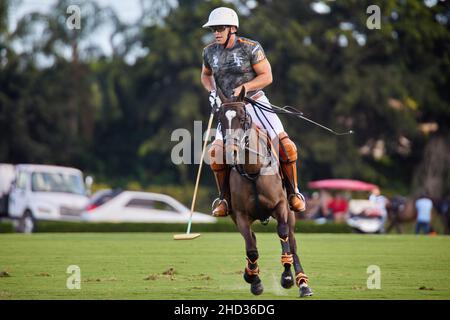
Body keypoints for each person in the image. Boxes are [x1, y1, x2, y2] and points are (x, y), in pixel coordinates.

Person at [200, 7, 306, 217]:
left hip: (255, 102)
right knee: (216, 153)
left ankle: (294, 193)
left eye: (220, 28)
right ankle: (225, 200)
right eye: (214, 29)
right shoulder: (209, 51)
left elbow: (267, 76)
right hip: (229, 110)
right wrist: (212, 92)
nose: (216, 33)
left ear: (232, 28)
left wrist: (245, 87)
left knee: (287, 146)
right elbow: (206, 75)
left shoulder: (251, 48)